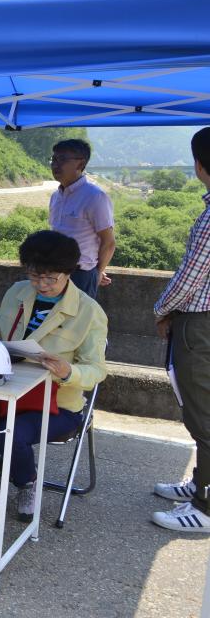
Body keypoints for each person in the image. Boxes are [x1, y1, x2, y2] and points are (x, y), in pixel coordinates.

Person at [0, 230, 107, 523]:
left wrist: (68, 371)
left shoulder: (89, 312)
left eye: (49, 278)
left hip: (55, 404)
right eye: (34, 276)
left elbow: (96, 370)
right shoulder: (18, 291)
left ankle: (26, 482)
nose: (40, 285)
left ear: (68, 273)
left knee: (12, 429)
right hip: (3, 389)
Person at [151, 127, 210, 533]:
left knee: (203, 415)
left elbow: (190, 276)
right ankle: (199, 485)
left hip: (199, 325)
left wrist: (161, 308)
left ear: (199, 164)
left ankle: (204, 506)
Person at [49, 138, 115, 299]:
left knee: (78, 322)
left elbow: (109, 242)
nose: (55, 164)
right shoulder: (56, 196)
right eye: (54, 159)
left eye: (62, 159)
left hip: (80, 275)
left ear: (80, 164)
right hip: (54, 271)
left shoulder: (94, 197)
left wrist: (96, 272)